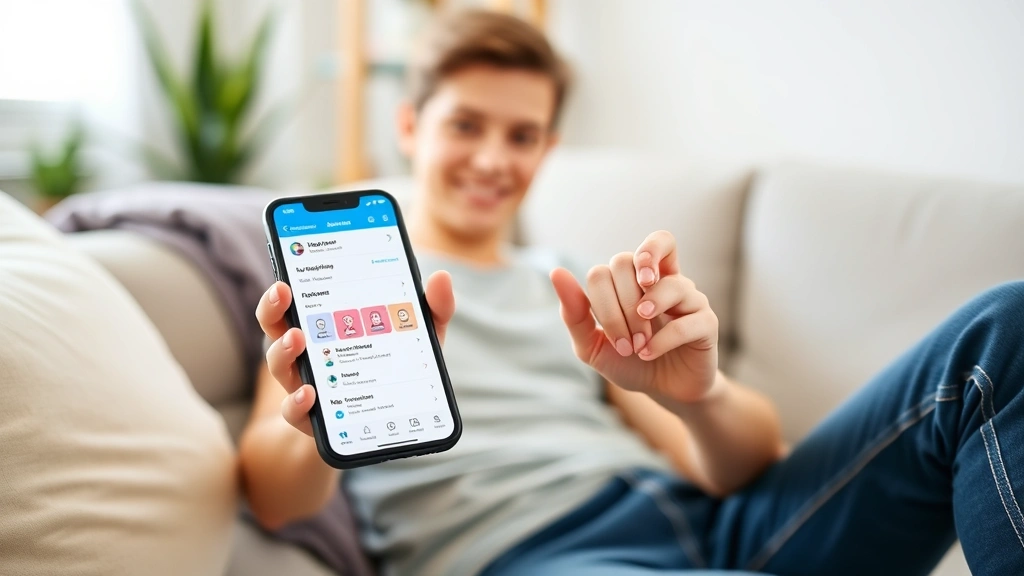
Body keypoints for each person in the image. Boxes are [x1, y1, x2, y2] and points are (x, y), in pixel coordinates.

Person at [240, 9, 1024, 576]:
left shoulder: (566, 283)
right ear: (411, 127)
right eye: (466, 125)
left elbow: (734, 467)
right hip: (540, 555)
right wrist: (322, 423)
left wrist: (700, 394)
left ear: (549, 148)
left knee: (1005, 329)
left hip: (718, 525)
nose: (491, 160)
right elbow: (274, 500)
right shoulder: (322, 303)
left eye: (521, 136)